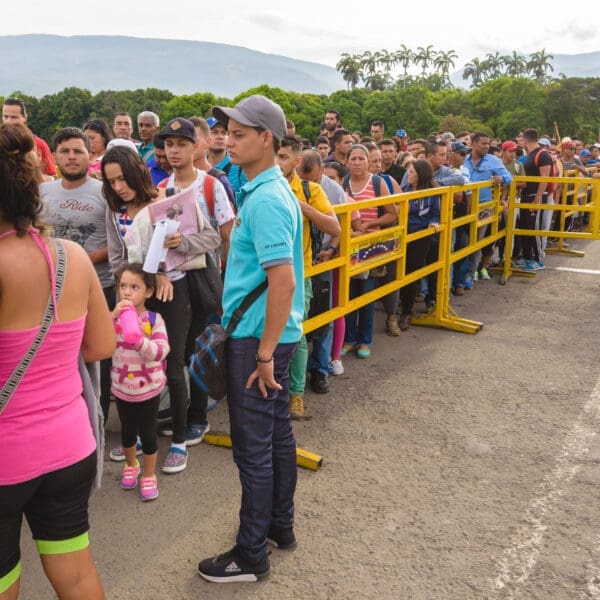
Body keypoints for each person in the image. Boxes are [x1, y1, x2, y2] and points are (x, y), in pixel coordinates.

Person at [0, 123, 114, 600]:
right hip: (69, 447)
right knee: (76, 573)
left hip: (7, 457)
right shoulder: (71, 257)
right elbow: (99, 347)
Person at [197, 94, 304, 583]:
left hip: (259, 340)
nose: (227, 140)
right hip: (272, 336)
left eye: (238, 134)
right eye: (226, 132)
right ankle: (279, 526)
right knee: (277, 435)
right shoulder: (267, 189)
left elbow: (281, 281)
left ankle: (250, 553)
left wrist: (262, 354)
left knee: (252, 449)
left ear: (266, 138)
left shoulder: (265, 200)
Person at [102, 144, 221, 472]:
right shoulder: (114, 211)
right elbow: (117, 261)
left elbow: (211, 238)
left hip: (177, 295)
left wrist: (180, 245)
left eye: (123, 179)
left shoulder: (171, 197)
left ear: (138, 172)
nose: (119, 187)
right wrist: (150, 279)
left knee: (172, 364)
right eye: (111, 182)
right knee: (135, 364)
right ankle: (140, 437)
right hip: (134, 296)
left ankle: (180, 441)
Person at [40, 127, 115, 423]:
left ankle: (99, 421)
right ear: (55, 155)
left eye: (78, 151)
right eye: (65, 151)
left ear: (90, 154)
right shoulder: (43, 191)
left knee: (100, 362)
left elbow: (117, 242)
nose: (71, 157)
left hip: (98, 287)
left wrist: (79, 260)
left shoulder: (105, 193)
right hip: (51, 291)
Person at [276, 135, 339, 417]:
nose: (277, 163)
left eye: (284, 157)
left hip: (298, 273)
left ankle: (296, 394)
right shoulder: (256, 187)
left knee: (296, 333)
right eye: (275, 156)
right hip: (263, 273)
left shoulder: (309, 190)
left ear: (297, 161)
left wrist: (304, 208)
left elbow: (334, 227)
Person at [111, 264, 169, 502]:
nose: (126, 292)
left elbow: (163, 350)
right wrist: (113, 316)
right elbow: (100, 337)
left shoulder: (154, 320)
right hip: (122, 389)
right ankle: (130, 464)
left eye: (134, 287)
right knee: (127, 432)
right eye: (123, 286)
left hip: (148, 389)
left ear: (148, 292)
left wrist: (140, 343)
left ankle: (148, 474)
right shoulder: (114, 318)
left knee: (147, 433)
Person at [341, 144, 394, 356]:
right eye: (353, 159)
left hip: (372, 246)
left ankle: (365, 340)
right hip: (350, 246)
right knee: (349, 293)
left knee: (367, 293)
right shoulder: (344, 183)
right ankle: (349, 339)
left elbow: (392, 213)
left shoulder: (377, 182)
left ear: (368, 161)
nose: (357, 163)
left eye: (361, 159)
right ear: (347, 162)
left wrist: (368, 226)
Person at [397, 159, 440, 331]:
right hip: (402, 235)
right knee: (399, 272)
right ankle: (400, 305)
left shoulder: (432, 192)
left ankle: (407, 311)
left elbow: (436, 213)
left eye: (413, 172)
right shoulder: (404, 189)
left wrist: (434, 222)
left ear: (421, 175)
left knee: (412, 273)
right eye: (409, 171)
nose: (409, 174)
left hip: (420, 236)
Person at [2, 97, 56, 178]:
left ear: (25, 118)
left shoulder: (39, 144)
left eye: (14, 117)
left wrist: (35, 169)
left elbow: (53, 178)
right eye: (5, 117)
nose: (9, 122)